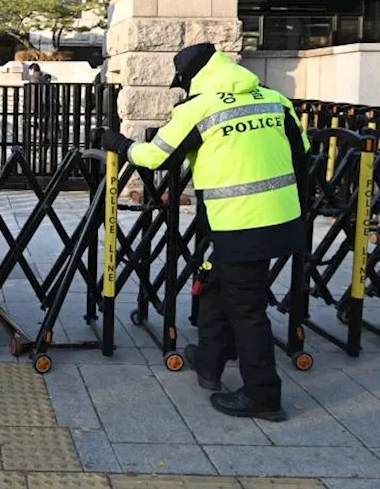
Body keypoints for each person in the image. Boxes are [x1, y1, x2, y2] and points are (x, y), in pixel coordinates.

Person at [100, 43, 308, 422]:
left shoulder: (199, 108)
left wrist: (119, 144)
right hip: (284, 220)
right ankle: (209, 362)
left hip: (240, 224)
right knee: (216, 284)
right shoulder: (274, 99)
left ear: (191, 77)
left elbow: (156, 157)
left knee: (247, 309)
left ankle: (263, 395)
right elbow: (302, 151)